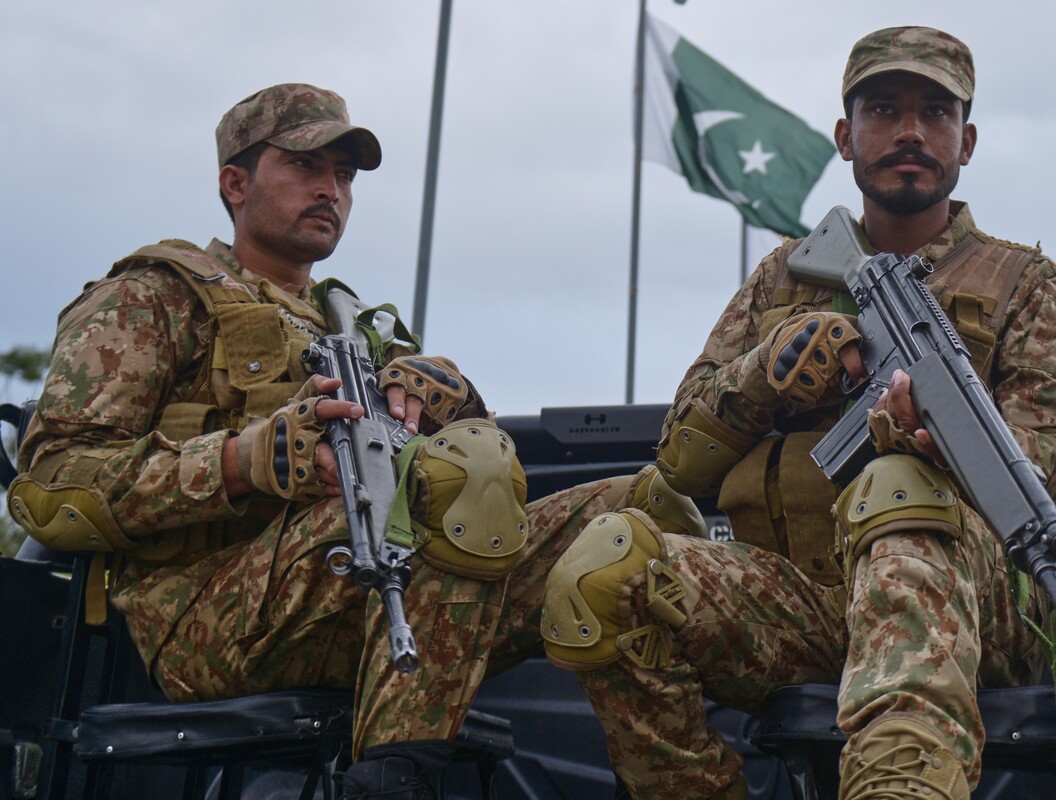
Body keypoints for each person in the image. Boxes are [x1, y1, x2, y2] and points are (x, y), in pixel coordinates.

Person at [6, 83, 705, 798]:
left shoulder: (355, 329)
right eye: (306, 168)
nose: (330, 190)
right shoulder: (155, 296)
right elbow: (53, 483)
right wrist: (243, 462)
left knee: (632, 518)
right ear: (235, 182)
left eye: (343, 176)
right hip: (204, 616)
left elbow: (486, 482)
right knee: (438, 493)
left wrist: (450, 396)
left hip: (373, 586)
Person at [541, 26, 1056, 800]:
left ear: (966, 141)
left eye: (935, 113)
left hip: (962, 599)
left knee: (898, 495)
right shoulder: (785, 275)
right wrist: (770, 372)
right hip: (801, 597)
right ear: (845, 136)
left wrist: (928, 447)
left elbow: (1038, 462)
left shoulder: (1027, 283)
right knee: (608, 576)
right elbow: (680, 453)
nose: (909, 131)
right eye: (884, 109)